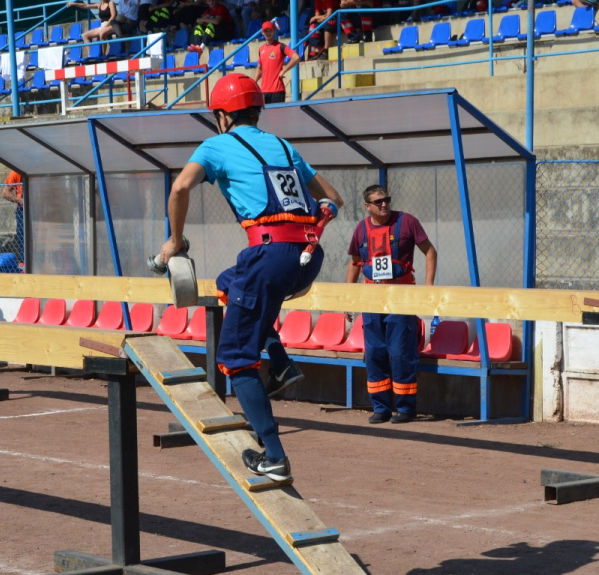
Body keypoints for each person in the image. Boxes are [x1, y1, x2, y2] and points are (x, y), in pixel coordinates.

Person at [155, 73, 343, 482]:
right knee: (229, 282)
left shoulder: (216, 145)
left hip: (268, 255)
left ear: (222, 115)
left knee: (235, 360)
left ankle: (274, 456)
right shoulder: (283, 146)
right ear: (256, 111)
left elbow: (180, 188)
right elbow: (334, 199)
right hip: (307, 256)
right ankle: (281, 363)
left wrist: (175, 240)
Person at [345, 185, 437, 424]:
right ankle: (380, 408)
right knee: (375, 353)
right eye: (378, 202)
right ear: (367, 206)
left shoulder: (407, 222)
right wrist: (348, 297)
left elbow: (430, 251)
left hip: (401, 297)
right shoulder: (361, 229)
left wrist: (428, 286)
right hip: (371, 298)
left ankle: (406, 408)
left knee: (400, 352)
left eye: (386, 200)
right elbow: (355, 262)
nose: (384, 204)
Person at [253, 20, 299, 104]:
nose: (268, 33)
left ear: (274, 31)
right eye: (266, 31)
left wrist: (284, 70)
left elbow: (296, 57)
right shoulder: (261, 49)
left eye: (270, 30)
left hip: (277, 90)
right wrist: (254, 82)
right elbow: (259, 68)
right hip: (264, 91)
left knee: (277, 113)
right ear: (262, 33)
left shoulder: (280, 46)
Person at [0, 170, 24, 263]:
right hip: (23, 211)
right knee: (23, 237)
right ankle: (23, 263)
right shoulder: (16, 172)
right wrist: (20, 200)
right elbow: (5, 192)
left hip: (40, 210)